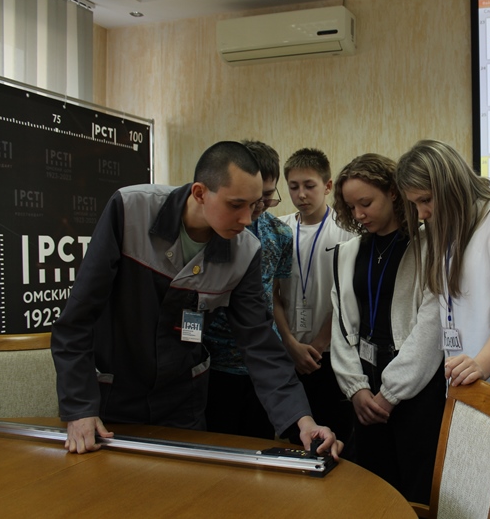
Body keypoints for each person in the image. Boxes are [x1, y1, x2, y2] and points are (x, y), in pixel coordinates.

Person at [50, 141, 341, 458]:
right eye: (236, 205)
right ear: (201, 193)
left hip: (182, 402)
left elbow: (259, 343)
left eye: (255, 205)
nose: (247, 219)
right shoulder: (130, 209)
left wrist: (303, 420)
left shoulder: (245, 251)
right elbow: (77, 319)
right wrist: (79, 407)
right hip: (114, 396)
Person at [330, 153, 445, 504]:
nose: (358, 215)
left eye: (366, 203)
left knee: (416, 487)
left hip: (415, 385)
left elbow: (431, 326)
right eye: (351, 207)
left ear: (393, 193)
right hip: (365, 384)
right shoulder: (347, 253)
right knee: (371, 487)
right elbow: (341, 327)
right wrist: (355, 388)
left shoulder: (429, 245)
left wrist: (391, 393)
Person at [395, 139, 490, 388]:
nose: (421, 214)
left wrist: (480, 364)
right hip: (463, 381)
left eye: (426, 200)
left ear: (450, 185)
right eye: (415, 204)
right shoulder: (447, 227)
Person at [202, 140, 292, 439]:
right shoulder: (215, 228)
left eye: (267, 197)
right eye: (253, 198)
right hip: (214, 361)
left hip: (261, 364)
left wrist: (288, 343)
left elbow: (273, 294)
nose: (260, 206)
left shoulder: (281, 233)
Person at [275, 148, 356, 443]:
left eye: (309, 186)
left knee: (333, 434)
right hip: (289, 351)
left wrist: (318, 345)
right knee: (293, 438)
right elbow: (272, 293)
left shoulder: (346, 230)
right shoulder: (280, 229)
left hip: (330, 354)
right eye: (293, 187)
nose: (301, 195)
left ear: (327, 186)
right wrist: (290, 343)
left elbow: (345, 296)